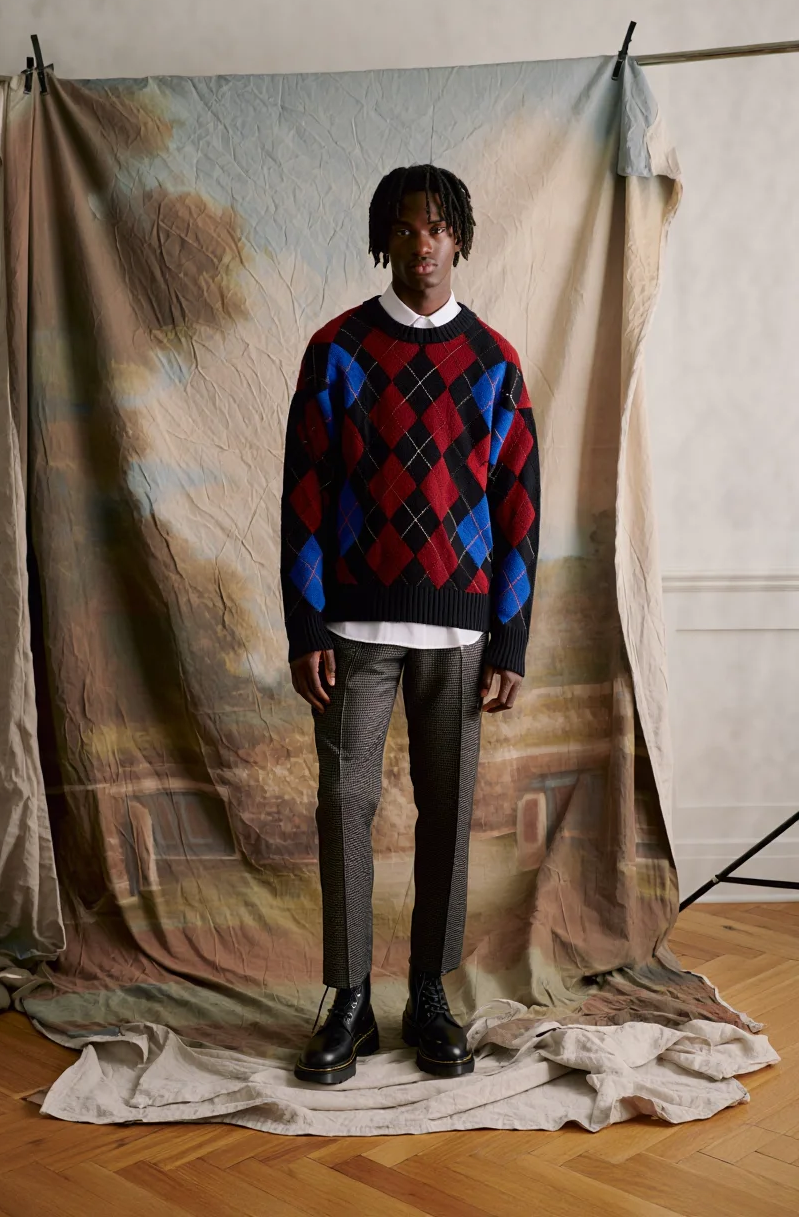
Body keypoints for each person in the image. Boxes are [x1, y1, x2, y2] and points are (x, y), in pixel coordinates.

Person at [279, 164, 540, 1084]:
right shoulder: (337, 349)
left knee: (448, 816)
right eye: (405, 228)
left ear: (459, 238)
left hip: (461, 636)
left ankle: (429, 992)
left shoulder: (498, 361)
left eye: (436, 228)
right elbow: (304, 495)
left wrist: (508, 638)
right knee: (344, 807)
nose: (421, 244)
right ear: (384, 240)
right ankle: (349, 998)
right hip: (351, 628)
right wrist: (306, 627)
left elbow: (519, 508)